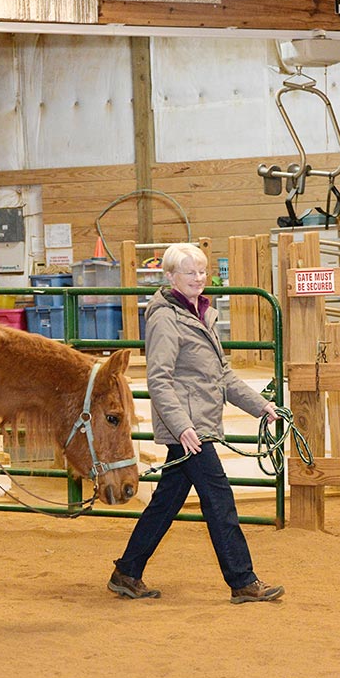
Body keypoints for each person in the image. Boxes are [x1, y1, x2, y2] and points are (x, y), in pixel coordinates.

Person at [108, 242, 285, 604]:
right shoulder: (165, 317)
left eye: (202, 271)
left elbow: (223, 375)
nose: (199, 278)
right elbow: (159, 379)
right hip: (189, 430)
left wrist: (261, 406)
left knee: (166, 502)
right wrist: (182, 427)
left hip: (196, 426)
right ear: (170, 276)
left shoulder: (201, 313)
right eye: (190, 272)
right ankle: (242, 580)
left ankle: (127, 571)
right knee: (220, 500)